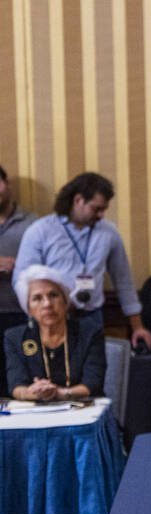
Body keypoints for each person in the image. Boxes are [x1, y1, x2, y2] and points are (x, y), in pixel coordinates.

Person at [13, 172, 151, 350]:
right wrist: (39, 313)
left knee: (92, 374)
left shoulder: (109, 233)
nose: (102, 215)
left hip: (92, 318)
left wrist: (138, 327)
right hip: (49, 320)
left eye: (104, 209)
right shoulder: (40, 231)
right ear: (78, 200)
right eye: (97, 209)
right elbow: (21, 280)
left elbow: (124, 280)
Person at [4, 265, 104, 401]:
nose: (47, 304)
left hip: (82, 410)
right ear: (28, 309)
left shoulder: (90, 332)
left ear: (65, 301)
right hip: (36, 413)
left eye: (53, 295)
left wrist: (61, 393)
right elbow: (16, 385)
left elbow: (92, 383)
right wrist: (34, 393)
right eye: (37, 298)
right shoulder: (14, 338)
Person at [0, 165, 36, 396]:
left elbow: (47, 270)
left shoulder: (33, 224)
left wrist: (19, 267)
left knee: (20, 378)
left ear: (7, 184)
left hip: (22, 313)